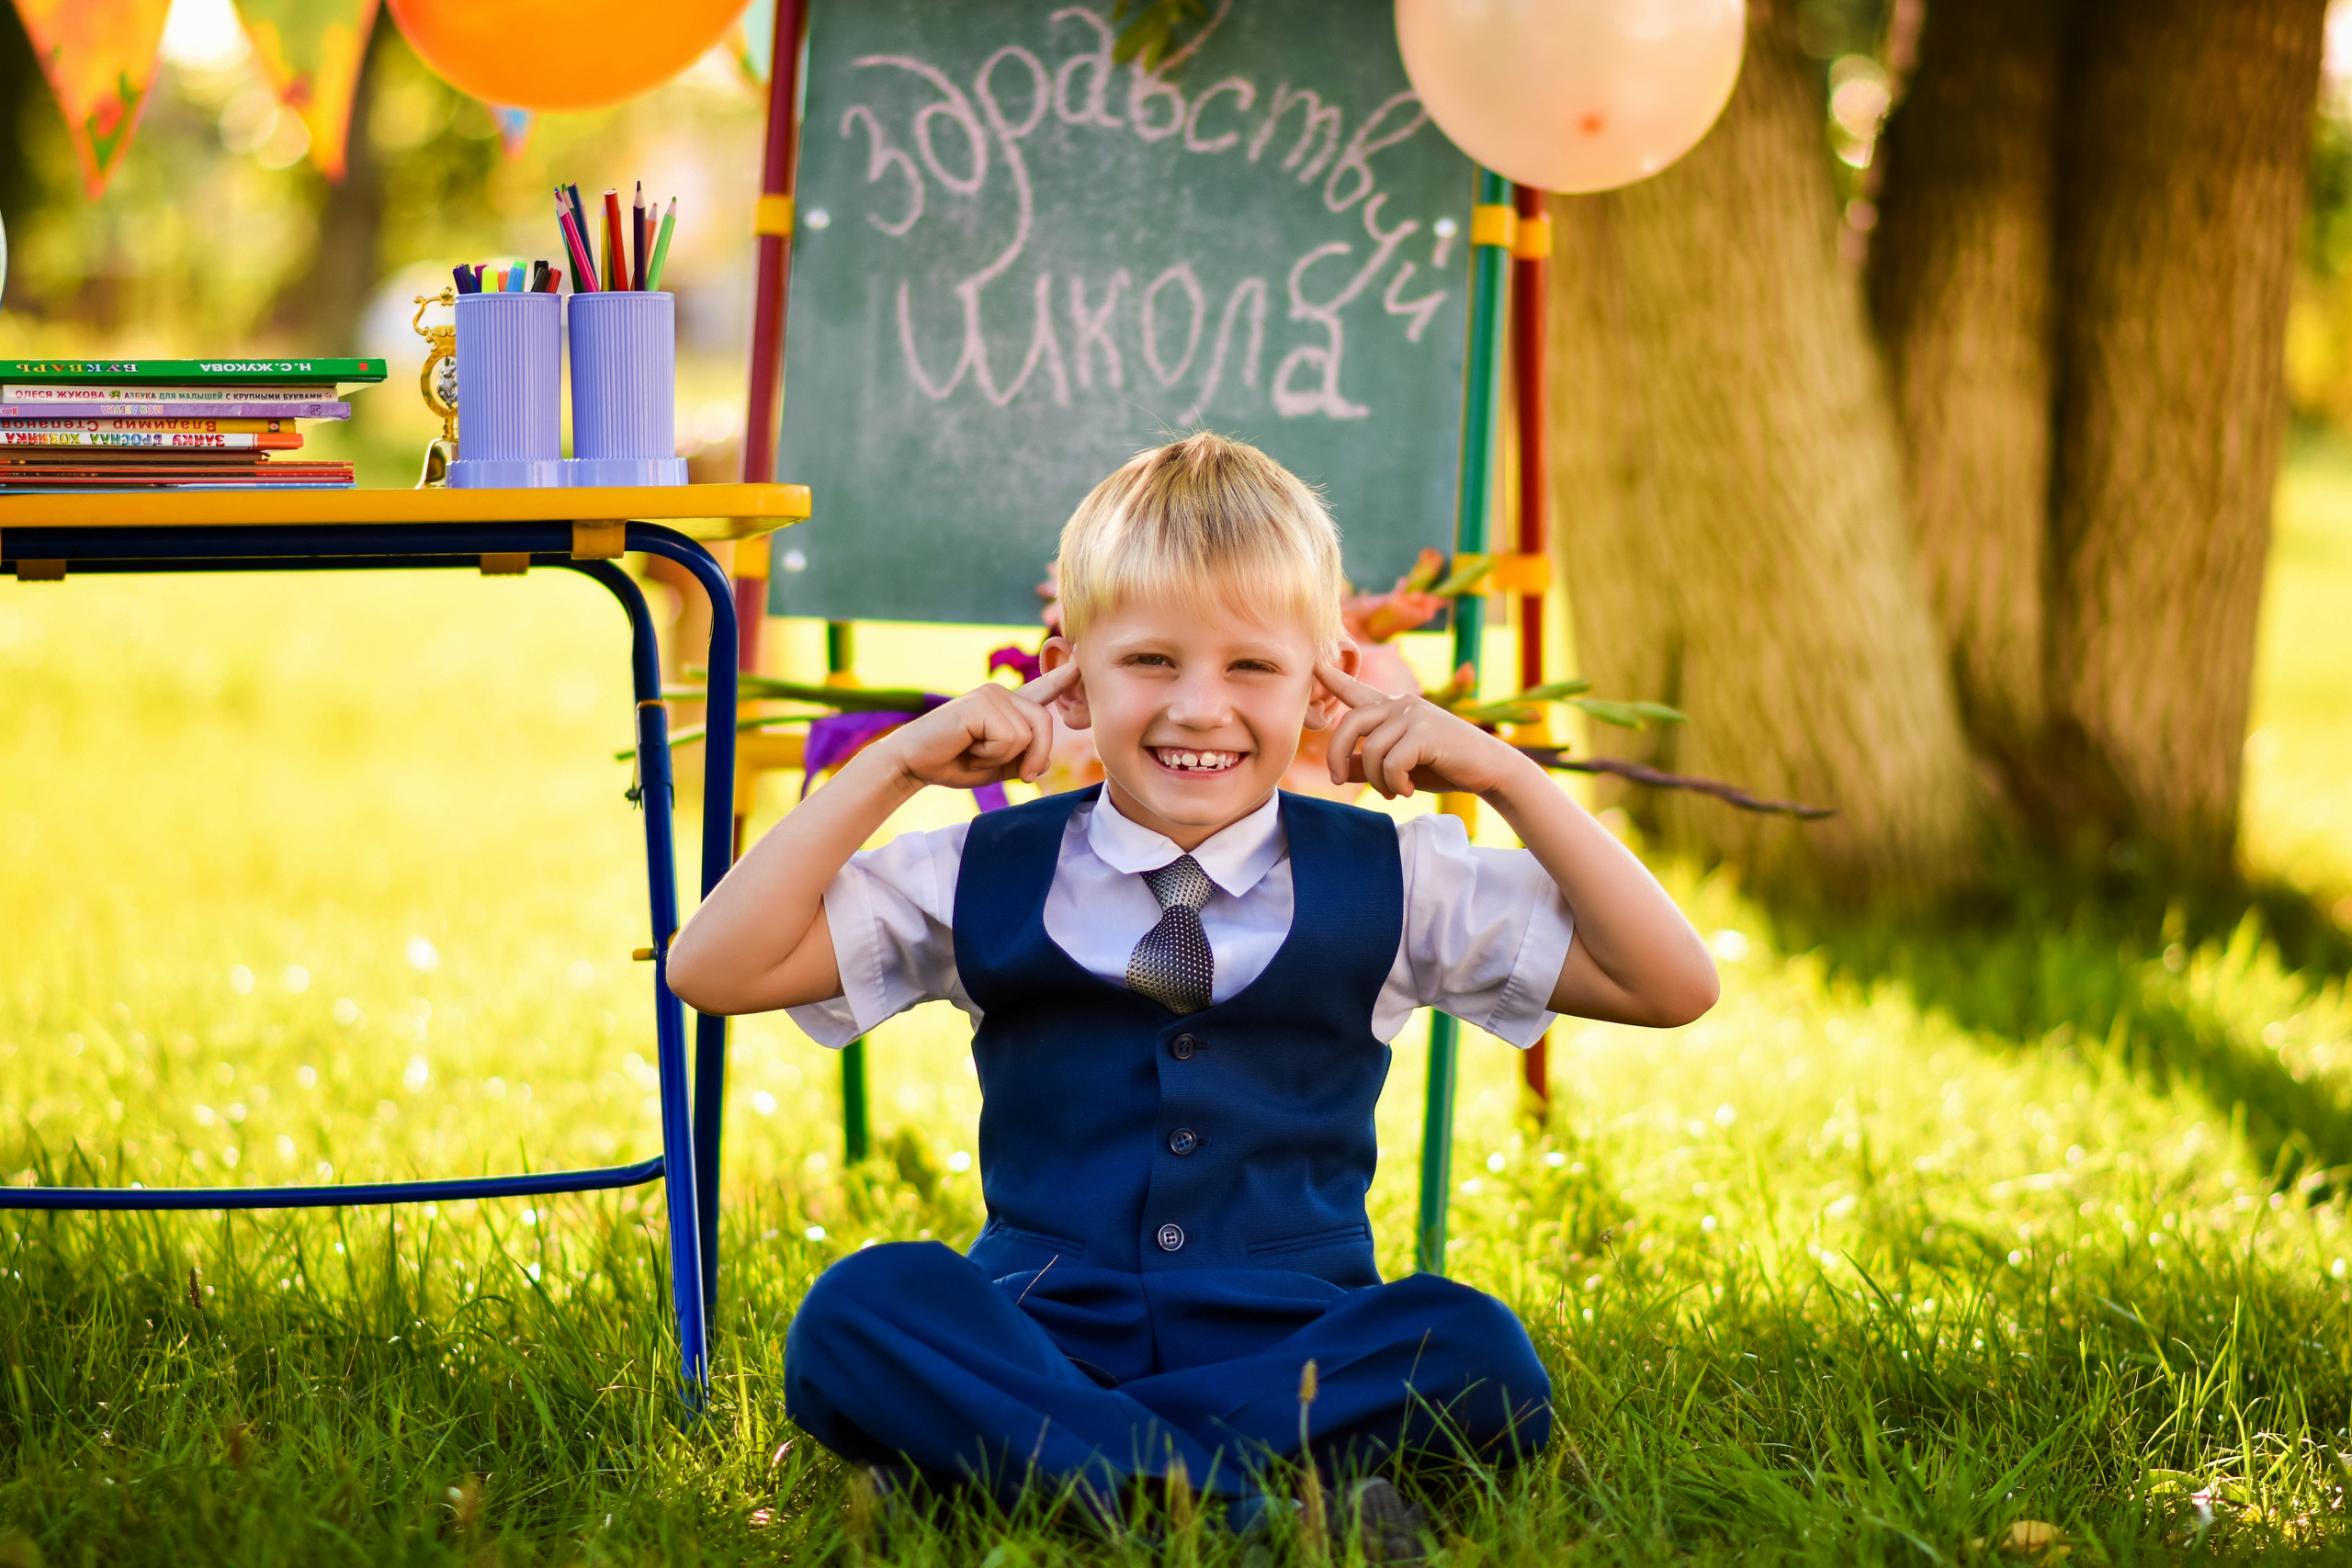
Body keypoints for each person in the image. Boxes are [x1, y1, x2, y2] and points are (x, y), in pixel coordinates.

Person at [666, 433, 1718, 1544]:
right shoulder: (983, 871)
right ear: (1066, 663)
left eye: (1252, 667)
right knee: (859, 1313)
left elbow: (1669, 984)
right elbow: (712, 968)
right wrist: (894, 765)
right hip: (1040, 1328)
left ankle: (1009, 1465)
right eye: (1151, 662)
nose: (1199, 709)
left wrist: (1508, 775)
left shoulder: (1396, 879)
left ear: (1326, 678)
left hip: (1297, 1345)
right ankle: (1246, 1513)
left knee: (1471, 1350)